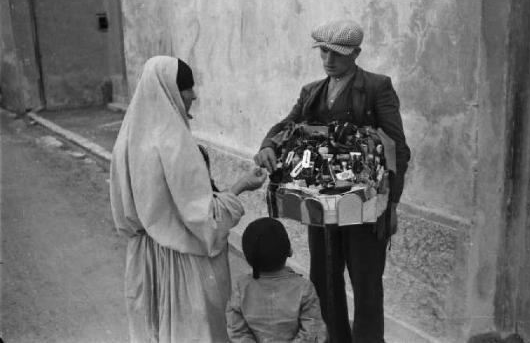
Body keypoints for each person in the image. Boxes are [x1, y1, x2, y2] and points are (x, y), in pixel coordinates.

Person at [253, 20, 411, 342]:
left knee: (366, 283)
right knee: (324, 279)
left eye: (337, 53)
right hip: (321, 205)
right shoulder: (312, 92)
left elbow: (397, 147)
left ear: (356, 53)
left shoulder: (377, 87)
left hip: (365, 206)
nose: (328, 60)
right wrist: (269, 144)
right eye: (324, 51)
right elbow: (288, 124)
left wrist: (392, 204)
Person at [110, 55, 267, 343]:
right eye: (187, 87)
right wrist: (242, 185)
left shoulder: (127, 139)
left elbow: (126, 211)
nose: (193, 94)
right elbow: (205, 219)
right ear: (169, 90)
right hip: (184, 266)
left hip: (145, 263)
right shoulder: (174, 143)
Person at [226, 217, 327, 342]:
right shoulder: (304, 288)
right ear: (289, 251)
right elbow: (313, 332)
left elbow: (236, 331)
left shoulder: (241, 288)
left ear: (248, 258)